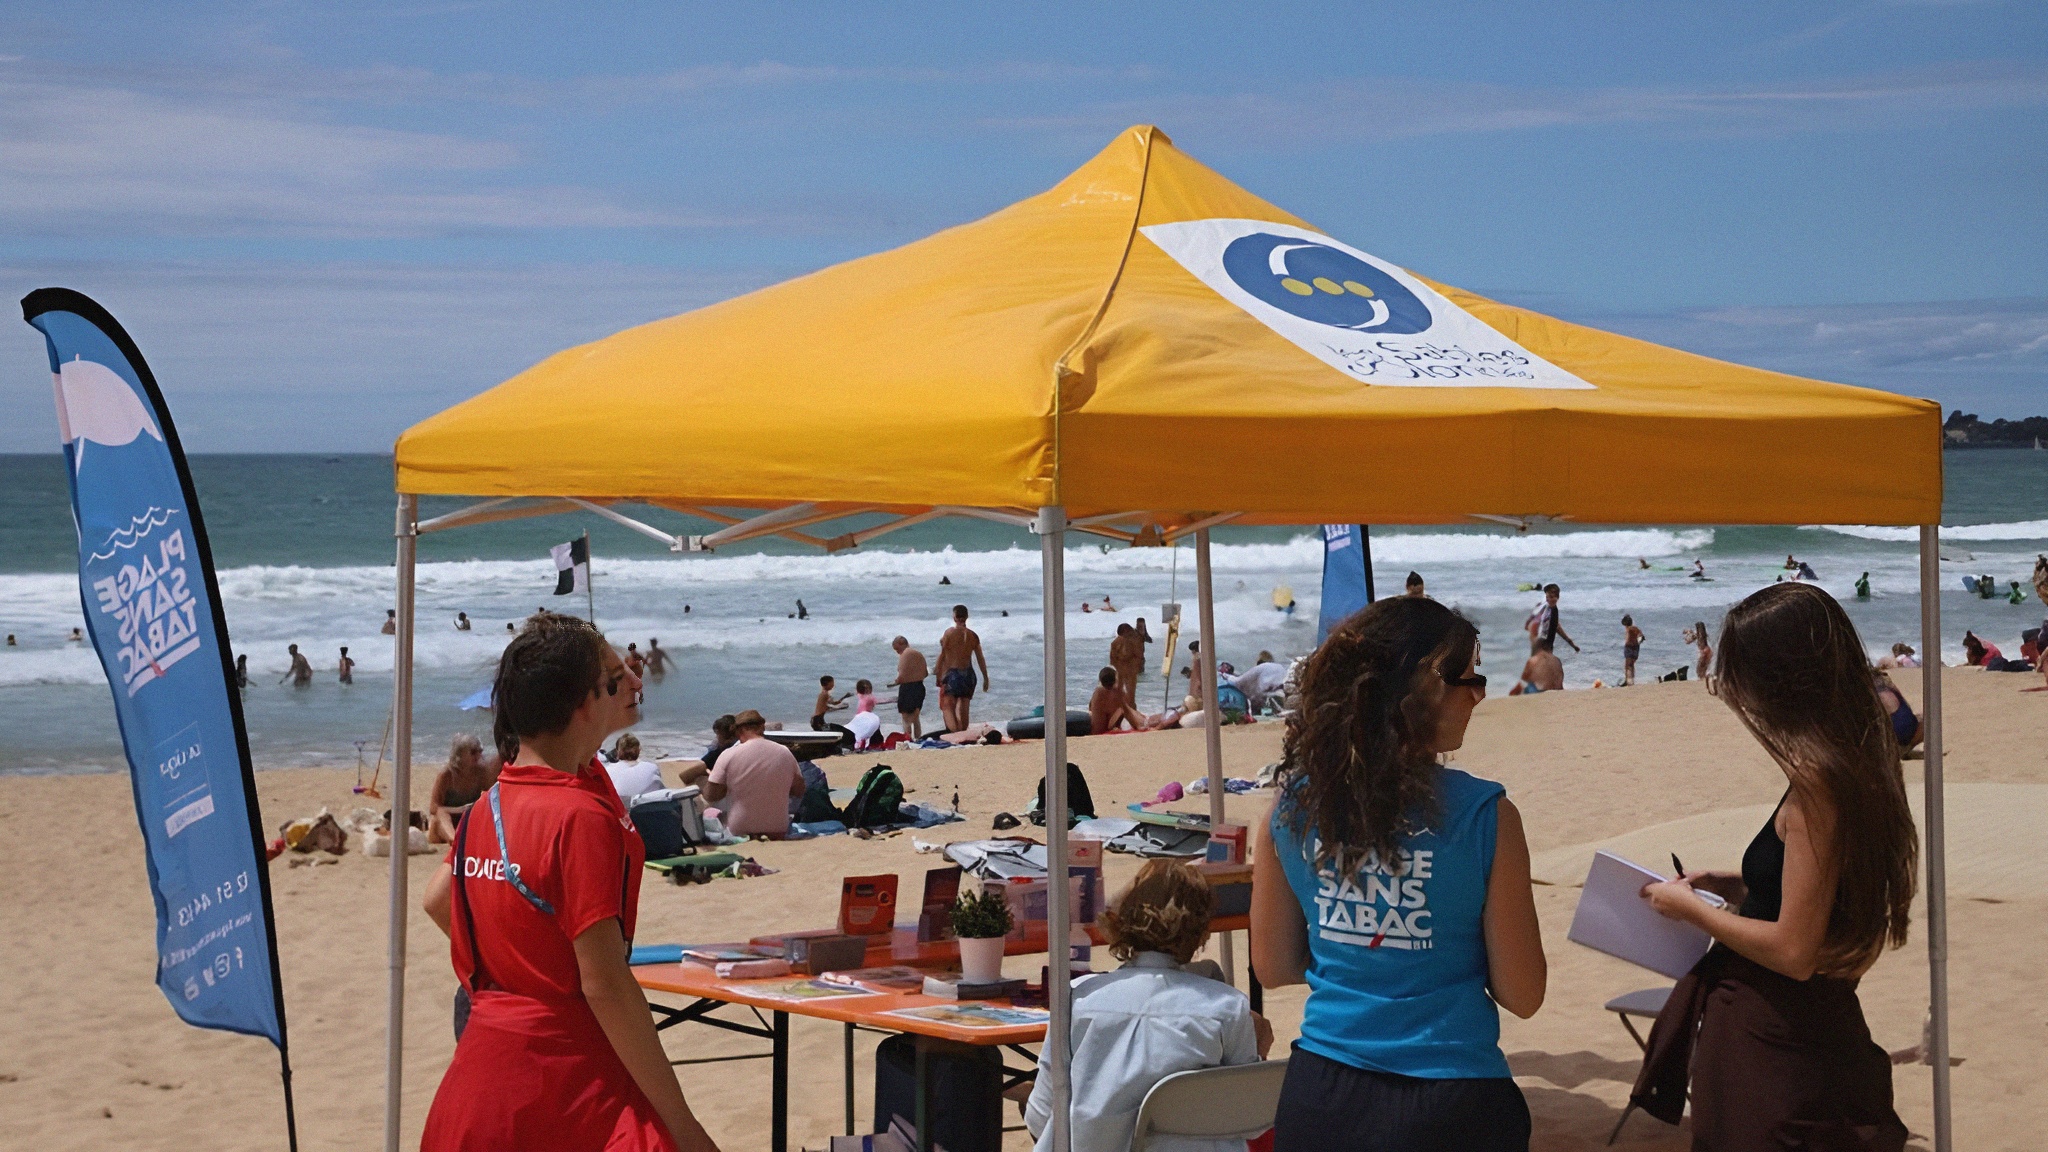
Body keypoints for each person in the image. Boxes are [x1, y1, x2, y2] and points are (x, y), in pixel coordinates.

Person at [419, 613, 721, 1152]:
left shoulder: (490, 804)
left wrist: (516, 973)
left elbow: (441, 902)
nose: (633, 679)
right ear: (583, 704)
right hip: (564, 1073)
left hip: (483, 1069)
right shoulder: (578, 812)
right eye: (613, 677)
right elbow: (602, 982)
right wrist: (684, 1126)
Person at [1252, 596, 1544, 1151]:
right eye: (1468, 678)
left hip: (1325, 1092)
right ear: (1421, 690)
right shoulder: (1485, 815)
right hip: (1451, 1098)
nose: (1480, 693)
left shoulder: (1290, 809)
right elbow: (1523, 992)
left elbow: (1273, 965)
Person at [1632, 583, 1915, 1149]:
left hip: (1775, 1038)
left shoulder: (1817, 790)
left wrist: (1689, 908)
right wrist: (1734, 884)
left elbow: (1792, 949)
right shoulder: (1858, 764)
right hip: (1824, 1025)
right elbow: (1824, 889)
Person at [1025, 859, 1271, 1152]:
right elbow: (1250, 1120)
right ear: (1200, 932)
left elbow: (1040, 1117)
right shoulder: (1227, 1007)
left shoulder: (1078, 1000)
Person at [702, 710, 805, 839]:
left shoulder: (729, 754)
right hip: (778, 828)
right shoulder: (784, 752)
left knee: (706, 792)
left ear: (739, 731)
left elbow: (711, 795)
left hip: (739, 828)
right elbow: (799, 790)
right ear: (762, 727)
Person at [428, 733, 496, 844]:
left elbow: (492, 797)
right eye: (473, 752)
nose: (478, 755)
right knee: (440, 814)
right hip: (446, 825)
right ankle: (455, 841)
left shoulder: (481, 772)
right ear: (459, 754)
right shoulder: (447, 775)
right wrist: (461, 809)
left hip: (469, 821)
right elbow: (434, 807)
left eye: (480, 751)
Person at [934, 604, 989, 731]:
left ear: (954, 617)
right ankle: (963, 732)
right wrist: (985, 677)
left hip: (953, 674)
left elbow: (942, 655)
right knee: (964, 706)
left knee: (948, 706)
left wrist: (937, 671)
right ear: (967, 617)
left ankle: (955, 734)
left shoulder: (949, 633)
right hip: (968, 674)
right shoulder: (973, 635)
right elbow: (980, 658)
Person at [604, 734, 665, 802]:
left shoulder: (608, 770)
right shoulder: (652, 767)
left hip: (621, 808)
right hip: (649, 806)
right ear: (639, 750)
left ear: (618, 752)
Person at [1088, 667, 1149, 735]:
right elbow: (1133, 719)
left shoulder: (1097, 691)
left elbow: (1090, 707)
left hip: (1096, 731)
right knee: (1124, 709)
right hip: (1104, 732)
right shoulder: (1117, 692)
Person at [890, 636, 928, 740]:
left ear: (902, 643)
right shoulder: (918, 654)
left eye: (897, 649)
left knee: (906, 718)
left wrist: (895, 682)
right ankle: (918, 738)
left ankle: (908, 738)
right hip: (919, 686)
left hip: (908, 688)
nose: (897, 652)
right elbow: (925, 673)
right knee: (916, 717)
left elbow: (901, 675)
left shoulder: (905, 654)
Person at [1524, 584, 1578, 655]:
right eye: (1547, 597)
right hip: (1540, 645)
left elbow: (1557, 627)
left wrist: (1571, 644)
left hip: (1546, 647)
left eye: (1551, 597)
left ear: (1557, 597)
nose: (1548, 599)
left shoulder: (1553, 611)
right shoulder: (1545, 608)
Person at [810, 674, 853, 744]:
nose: (833, 685)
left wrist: (844, 697)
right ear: (827, 684)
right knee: (830, 732)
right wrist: (840, 708)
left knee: (826, 733)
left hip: (817, 719)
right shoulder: (825, 694)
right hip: (817, 720)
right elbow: (826, 707)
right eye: (832, 683)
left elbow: (834, 703)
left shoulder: (824, 693)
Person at [1620, 615, 1644, 686]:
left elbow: (1628, 639)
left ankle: (1629, 681)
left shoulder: (1629, 629)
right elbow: (1641, 636)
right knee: (1631, 665)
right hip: (1636, 647)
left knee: (1627, 665)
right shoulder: (1636, 628)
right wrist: (1638, 641)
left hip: (1629, 647)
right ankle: (1630, 680)